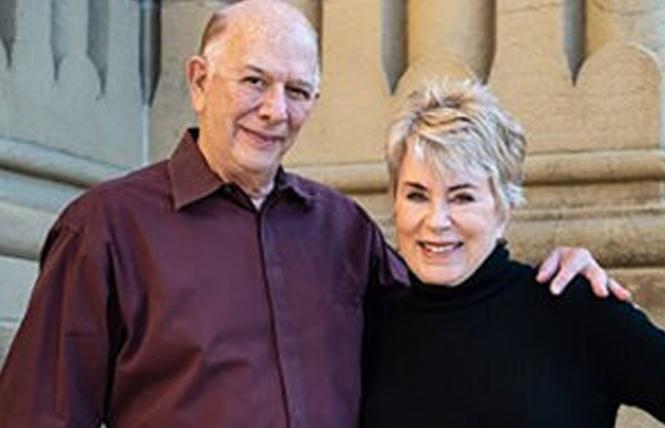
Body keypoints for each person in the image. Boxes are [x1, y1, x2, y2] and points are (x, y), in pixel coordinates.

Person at [0, 1, 627, 427]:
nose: (275, 110)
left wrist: (556, 284)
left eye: (297, 91)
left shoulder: (342, 229)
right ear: (198, 81)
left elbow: (451, 307)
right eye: (254, 82)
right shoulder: (107, 229)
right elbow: (40, 415)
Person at [361, 79, 665, 428]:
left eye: (462, 197)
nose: (437, 221)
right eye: (417, 195)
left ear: (504, 207)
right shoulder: (368, 322)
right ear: (394, 202)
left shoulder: (574, 308)